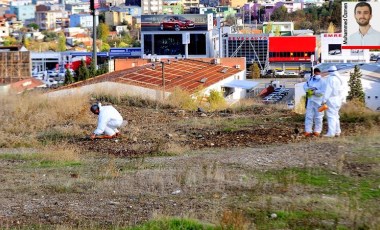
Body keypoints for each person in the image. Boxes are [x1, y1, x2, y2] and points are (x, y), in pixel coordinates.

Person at [321, 66, 344, 138]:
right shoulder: (339, 79)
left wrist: (324, 100)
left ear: (330, 71)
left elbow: (328, 90)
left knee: (331, 116)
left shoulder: (330, 79)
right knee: (336, 116)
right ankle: (337, 131)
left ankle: (331, 133)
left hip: (331, 99)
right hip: (338, 99)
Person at [303, 68, 326, 137]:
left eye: (317, 73)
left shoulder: (323, 81)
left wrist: (315, 92)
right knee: (308, 116)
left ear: (319, 73)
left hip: (319, 101)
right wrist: (309, 90)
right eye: (315, 73)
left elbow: (323, 91)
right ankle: (308, 131)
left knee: (318, 117)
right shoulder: (310, 79)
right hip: (310, 100)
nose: (316, 74)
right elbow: (305, 86)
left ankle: (317, 131)